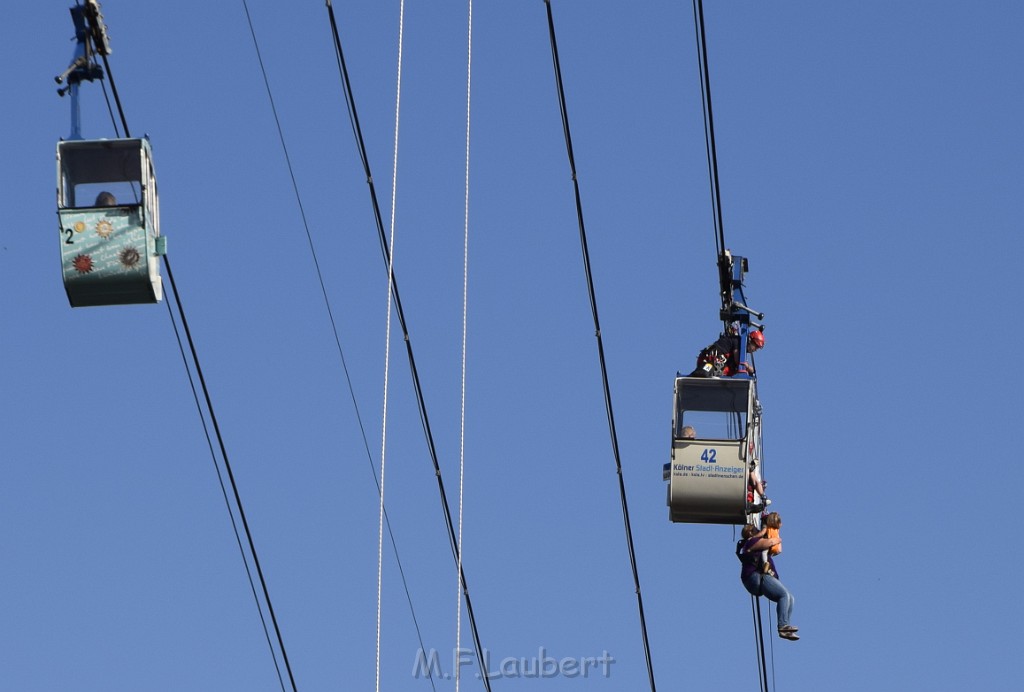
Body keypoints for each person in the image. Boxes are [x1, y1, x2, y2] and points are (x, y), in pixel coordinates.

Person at [737, 520, 798, 640]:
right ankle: (783, 626)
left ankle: (785, 626)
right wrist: (771, 533)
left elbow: (772, 548)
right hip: (756, 577)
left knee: (790, 598)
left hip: (758, 578)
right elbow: (772, 541)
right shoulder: (750, 542)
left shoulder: (757, 546)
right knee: (784, 595)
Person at [689, 329, 764, 377]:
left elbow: (752, 370)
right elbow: (739, 361)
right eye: (756, 346)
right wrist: (747, 367)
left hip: (715, 365)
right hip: (709, 361)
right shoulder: (737, 341)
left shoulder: (738, 352)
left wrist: (750, 369)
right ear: (750, 340)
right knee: (704, 373)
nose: (755, 350)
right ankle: (697, 375)